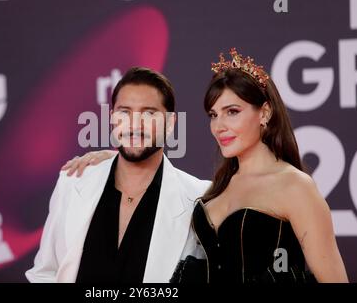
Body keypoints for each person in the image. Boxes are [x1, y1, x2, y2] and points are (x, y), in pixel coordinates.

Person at [65, 49, 349, 283]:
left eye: (232, 112)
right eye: (214, 115)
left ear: (265, 112)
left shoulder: (294, 185)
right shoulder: (214, 189)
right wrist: (112, 159)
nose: (220, 126)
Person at [25, 67, 211, 283]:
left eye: (149, 113)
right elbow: (44, 273)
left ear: (170, 123)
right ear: (112, 118)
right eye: (125, 112)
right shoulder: (73, 180)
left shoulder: (199, 198)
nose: (134, 124)